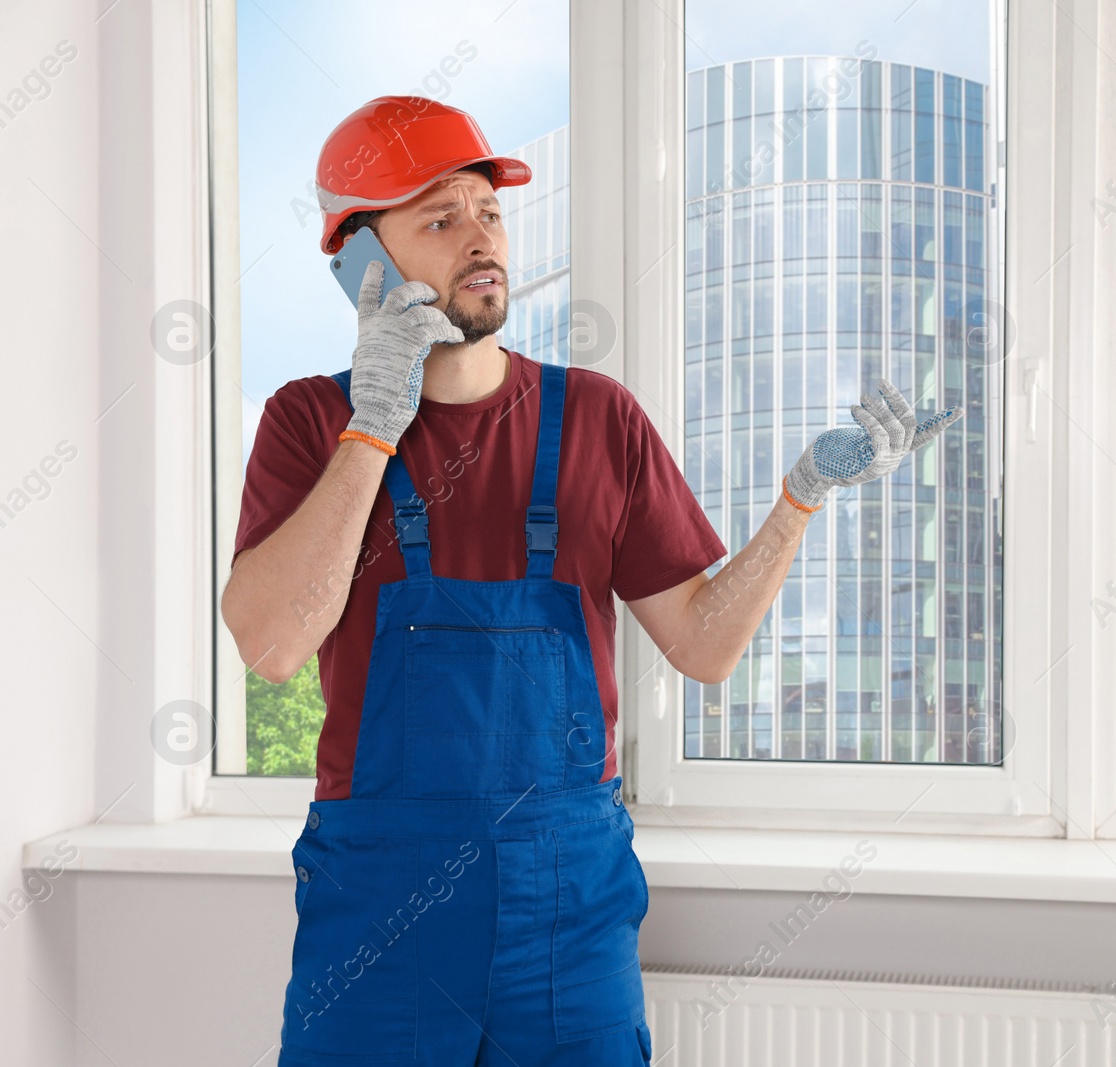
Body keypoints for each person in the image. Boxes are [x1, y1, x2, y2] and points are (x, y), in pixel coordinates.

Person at [220, 95, 961, 1067]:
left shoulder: (599, 419)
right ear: (364, 263)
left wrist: (800, 495)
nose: (479, 237)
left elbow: (701, 645)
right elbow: (272, 645)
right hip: (380, 915)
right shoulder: (307, 424)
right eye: (437, 219)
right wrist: (374, 421)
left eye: (487, 210)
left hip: (565, 911)